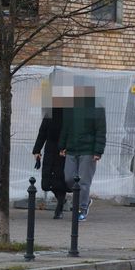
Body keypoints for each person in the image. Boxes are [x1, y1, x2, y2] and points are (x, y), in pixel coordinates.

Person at [59, 85, 106, 222]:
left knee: (84, 182)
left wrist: (98, 151)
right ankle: (84, 199)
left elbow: (101, 132)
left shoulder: (97, 110)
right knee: (68, 178)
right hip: (72, 149)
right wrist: (62, 145)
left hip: (88, 151)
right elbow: (65, 128)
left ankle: (82, 208)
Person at [32, 108, 68, 219]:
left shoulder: (70, 113)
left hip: (63, 151)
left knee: (60, 180)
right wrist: (37, 150)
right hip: (50, 149)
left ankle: (60, 207)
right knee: (48, 181)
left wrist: (68, 147)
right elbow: (42, 132)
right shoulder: (50, 113)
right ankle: (61, 200)